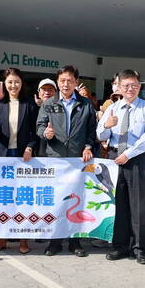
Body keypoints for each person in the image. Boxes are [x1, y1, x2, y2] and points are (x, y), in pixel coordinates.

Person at [36, 65, 98, 257]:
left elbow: (91, 131)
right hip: (55, 160)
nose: (65, 84)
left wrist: (88, 146)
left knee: (75, 201)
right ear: (57, 82)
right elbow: (39, 127)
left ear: (76, 82)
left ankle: (74, 241)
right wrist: (45, 133)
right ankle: (54, 242)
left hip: (77, 160)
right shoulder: (49, 103)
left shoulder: (86, 104)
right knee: (56, 201)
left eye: (69, 81)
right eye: (62, 80)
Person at [97, 69, 145, 265]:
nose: (130, 89)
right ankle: (120, 247)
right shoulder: (112, 108)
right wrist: (107, 125)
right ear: (119, 87)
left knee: (139, 206)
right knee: (119, 205)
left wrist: (128, 154)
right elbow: (100, 136)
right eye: (126, 86)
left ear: (139, 87)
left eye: (134, 85)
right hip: (115, 159)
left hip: (137, 158)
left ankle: (139, 248)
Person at [0, 68, 39, 254]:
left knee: (22, 198)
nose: (13, 85)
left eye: (16, 81)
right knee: (4, 198)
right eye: (10, 82)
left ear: (21, 83)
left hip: (23, 156)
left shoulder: (30, 104)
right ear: (5, 84)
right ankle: (2, 239)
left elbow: (35, 132)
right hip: (3, 155)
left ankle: (23, 240)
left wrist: (30, 147)